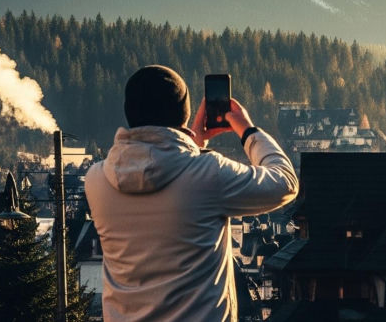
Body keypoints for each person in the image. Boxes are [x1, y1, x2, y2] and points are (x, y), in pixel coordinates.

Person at [84, 65, 299, 322]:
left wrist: (191, 143)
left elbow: (163, 173)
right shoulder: (209, 174)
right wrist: (247, 130)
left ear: (130, 111)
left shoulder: (97, 180)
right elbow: (285, 182)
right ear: (183, 114)